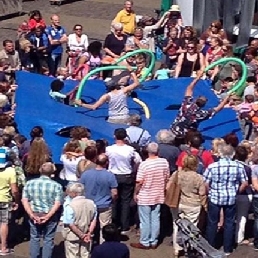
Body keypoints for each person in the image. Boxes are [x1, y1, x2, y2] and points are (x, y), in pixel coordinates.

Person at [203, 144, 248, 255]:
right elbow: (245, 183)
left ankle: (211, 247)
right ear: (233, 154)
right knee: (229, 223)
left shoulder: (212, 166)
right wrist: (237, 191)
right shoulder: (238, 166)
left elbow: (205, 183)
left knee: (212, 223)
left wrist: (209, 192)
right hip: (231, 198)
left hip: (215, 198)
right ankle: (228, 248)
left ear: (220, 154)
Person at [130, 142, 169, 249]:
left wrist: (135, 193)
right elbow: (167, 177)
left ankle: (145, 241)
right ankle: (154, 241)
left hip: (145, 195)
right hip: (158, 194)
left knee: (145, 220)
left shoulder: (144, 164)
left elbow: (139, 182)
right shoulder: (164, 162)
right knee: (155, 218)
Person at [170, 70, 230, 137]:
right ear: (204, 105)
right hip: (183, 135)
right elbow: (219, 108)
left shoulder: (186, 104)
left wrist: (198, 77)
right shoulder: (202, 114)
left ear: (196, 100)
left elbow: (189, 88)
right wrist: (227, 97)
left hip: (173, 129)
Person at [22, 162, 63, 258]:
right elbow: (57, 203)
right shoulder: (57, 186)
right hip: (50, 215)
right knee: (48, 239)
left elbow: (24, 200)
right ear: (53, 172)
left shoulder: (29, 183)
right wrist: (48, 216)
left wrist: (31, 215)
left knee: (34, 237)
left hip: (34, 213)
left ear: (40, 170)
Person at [169, 154, 206, 257]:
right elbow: (202, 193)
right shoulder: (198, 177)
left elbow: (168, 187)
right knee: (191, 227)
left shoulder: (177, 174)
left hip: (177, 203)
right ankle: (189, 248)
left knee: (176, 225)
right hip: (193, 204)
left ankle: (177, 248)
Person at [106, 128, 142, 234]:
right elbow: (138, 161)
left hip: (113, 176)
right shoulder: (130, 150)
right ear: (125, 137)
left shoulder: (109, 149)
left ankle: (114, 223)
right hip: (127, 176)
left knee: (114, 200)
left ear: (114, 136)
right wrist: (133, 169)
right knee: (125, 201)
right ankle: (124, 226)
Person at [75, 66, 139, 124]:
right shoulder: (123, 90)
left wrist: (81, 104)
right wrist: (132, 72)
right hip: (125, 117)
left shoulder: (106, 96)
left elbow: (93, 107)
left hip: (113, 119)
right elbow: (136, 83)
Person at [80, 154, 118, 243]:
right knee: (104, 227)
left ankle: (87, 244)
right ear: (107, 162)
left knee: (88, 226)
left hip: (89, 204)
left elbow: (81, 188)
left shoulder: (86, 174)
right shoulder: (110, 175)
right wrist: (113, 200)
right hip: (105, 205)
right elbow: (114, 192)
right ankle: (103, 246)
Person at [62, 182, 97, 258]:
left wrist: (81, 235)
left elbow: (70, 224)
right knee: (85, 255)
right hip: (87, 235)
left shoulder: (70, 206)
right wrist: (88, 233)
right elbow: (93, 220)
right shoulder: (92, 203)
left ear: (74, 193)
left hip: (72, 236)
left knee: (72, 255)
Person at [0, 164, 19, 255]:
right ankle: (3, 247)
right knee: (4, 223)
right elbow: (14, 190)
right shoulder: (10, 171)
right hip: (4, 199)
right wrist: (17, 201)